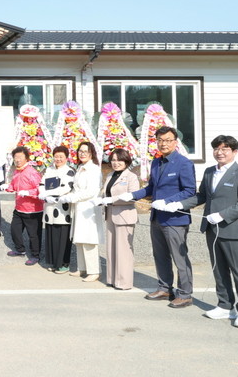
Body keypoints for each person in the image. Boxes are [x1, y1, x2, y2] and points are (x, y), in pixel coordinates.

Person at [175, 135, 238, 328]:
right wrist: (179, 204)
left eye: (225, 149)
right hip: (212, 230)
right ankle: (225, 305)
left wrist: (222, 215)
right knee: (219, 270)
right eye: (216, 149)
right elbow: (202, 196)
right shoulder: (210, 172)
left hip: (233, 230)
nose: (220, 152)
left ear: (234, 152)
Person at [115, 126, 196, 308]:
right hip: (157, 217)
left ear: (175, 142)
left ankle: (185, 294)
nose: (163, 143)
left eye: (167, 140)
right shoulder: (156, 162)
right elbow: (151, 188)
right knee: (160, 255)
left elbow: (190, 191)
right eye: (160, 140)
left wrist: (168, 201)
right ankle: (165, 288)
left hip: (175, 219)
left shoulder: (183, 163)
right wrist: (133, 195)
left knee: (179, 257)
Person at [50, 141, 103, 282]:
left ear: (91, 153)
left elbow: (91, 191)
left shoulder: (94, 169)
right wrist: (66, 195)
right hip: (78, 208)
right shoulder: (80, 168)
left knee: (89, 241)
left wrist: (72, 197)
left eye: (86, 151)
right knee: (79, 239)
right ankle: (82, 268)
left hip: (88, 209)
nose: (82, 154)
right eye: (80, 151)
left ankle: (94, 271)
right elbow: (75, 188)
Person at [97, 148, 140, 290]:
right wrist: (100, 199)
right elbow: (105, 193)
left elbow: (133, 197)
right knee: (111, 249)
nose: (116, 163)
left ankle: (124, 282)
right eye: (113, 160)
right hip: (110, 215)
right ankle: (112, 279)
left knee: (123, 251)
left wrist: (112, 200)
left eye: (119, 160)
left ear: (126, 161)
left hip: (124, 217)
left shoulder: (131, 177)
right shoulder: (110, 175)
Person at [38, 145, 75, 273]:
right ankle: (53, 262)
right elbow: (41, 184)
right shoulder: (49, 170)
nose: (58, 159)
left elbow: (66, 188)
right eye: (56, 156)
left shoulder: (69, 171)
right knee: (51, 236)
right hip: (49, 208)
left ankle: (63, 264)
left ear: (66, 158)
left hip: (62, 209)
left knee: (62, 237)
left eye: (61, 156)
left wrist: (48, 193)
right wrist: (43, 195)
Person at [4, 146, 43, 264]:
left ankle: (35, 255)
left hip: (32, 210)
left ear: (26, 158)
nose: (17, 160)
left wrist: (28, 193)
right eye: (15, 157)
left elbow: (40, 190)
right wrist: (7, 187)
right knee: (14, 230)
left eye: (20, 157)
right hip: (19, 208)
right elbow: (14, 186)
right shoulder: (17, 171)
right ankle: (20, 250)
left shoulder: (32, 173)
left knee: (33, 235)